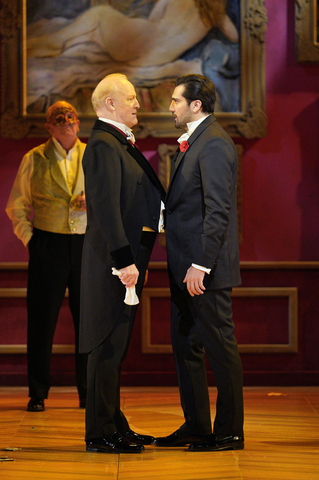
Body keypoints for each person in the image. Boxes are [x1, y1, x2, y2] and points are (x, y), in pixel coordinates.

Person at [155, 74, 244, 451]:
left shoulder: (214, 144)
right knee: (186, 346)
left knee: (220, 349)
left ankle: (228, 431)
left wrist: (202, 265)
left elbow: (219, 210)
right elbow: (191, 204)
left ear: (196, 105)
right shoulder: (195, 143)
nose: (170, 106)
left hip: (202, 271)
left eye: (176, 100)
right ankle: (196, 425)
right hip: (183, 267)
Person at [79, 73, 166, 454]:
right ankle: (99, 433)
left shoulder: (116, 142)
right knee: (106, 346)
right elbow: (106, 211)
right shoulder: (102, 144)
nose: (138, 103)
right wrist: (124, 261)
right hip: (113, 265)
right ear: (109, 103)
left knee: (116, 348)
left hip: (125, 263)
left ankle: (114, 424)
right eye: (131, 97)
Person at [6, 101, 88, 412]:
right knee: (41, 323)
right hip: (47, 247)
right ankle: (37, 392)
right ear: (49, 127)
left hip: (84, 246)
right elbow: (16, 207)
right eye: (59, 119)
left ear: (78, 123)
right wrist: (33, 241)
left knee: (87, 323)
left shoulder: (92, 155)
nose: (66, 122)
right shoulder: (34, 158)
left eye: (71, 117)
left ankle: (86, 392)